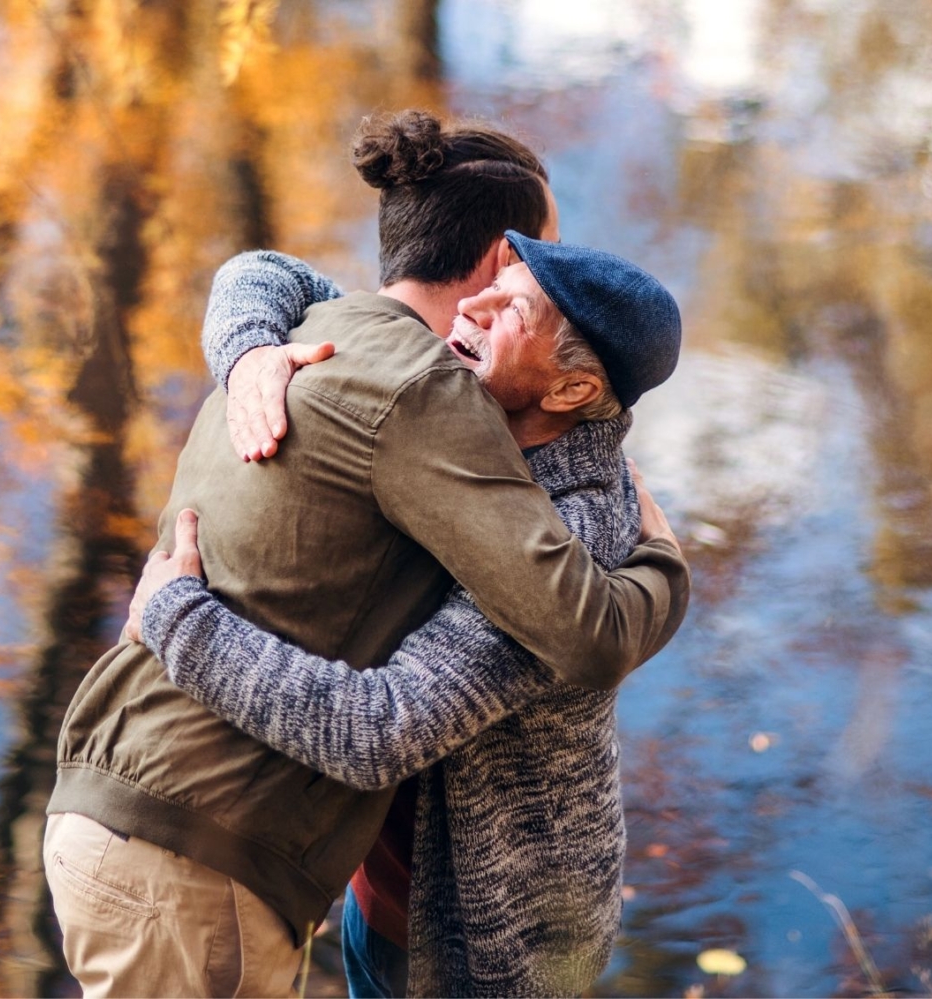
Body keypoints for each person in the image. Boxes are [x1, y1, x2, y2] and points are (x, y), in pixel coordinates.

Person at [43, 110, 689, 999]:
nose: (486, 302)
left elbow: (391, 722)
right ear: (494, 254)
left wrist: (177, 617)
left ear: (576, 385)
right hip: (212, 861)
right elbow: (261, 271)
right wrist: (247, 345)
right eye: (519, 264)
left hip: (471, 940)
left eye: (519, 301)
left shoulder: (537, 495)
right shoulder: (405, 377)